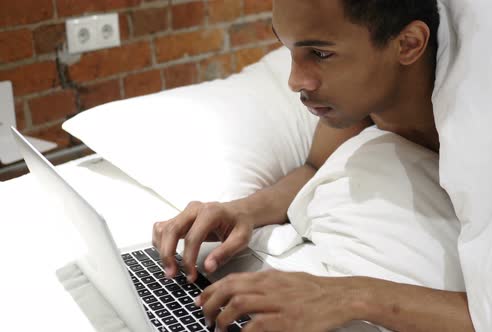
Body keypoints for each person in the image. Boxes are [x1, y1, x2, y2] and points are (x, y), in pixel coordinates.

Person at [152, 1, 475, 331]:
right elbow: (313, 167)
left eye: (319, 54)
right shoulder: (367, 101)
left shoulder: (488, 133)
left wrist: (347, 296)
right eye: (289, 49)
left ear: (408, 44)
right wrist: (242, 211)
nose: (294, 81)